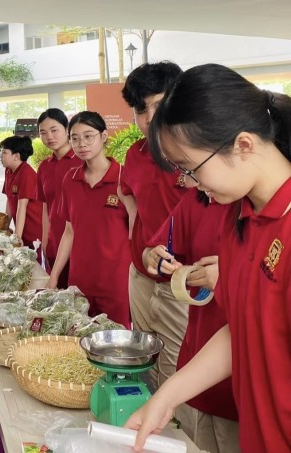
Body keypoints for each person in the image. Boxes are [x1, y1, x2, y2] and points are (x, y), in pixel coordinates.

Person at [125, 63, 291, 453]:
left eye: (191, 169)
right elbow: (241, 329)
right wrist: (164, 398)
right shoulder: (241, 217)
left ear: (243, 145)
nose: (190, 184)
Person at [142, 191, 239, 453]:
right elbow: (152, 251)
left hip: (242, 393)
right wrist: (153, 257)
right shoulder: (199, 199)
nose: (187, 177)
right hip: (196, 373)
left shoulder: (270, 215)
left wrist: (231, 274)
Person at [117, 61, 190, 388]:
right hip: (141, 277)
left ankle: (179, 439)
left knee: (178, 374)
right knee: (143, 364)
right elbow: (127, 194)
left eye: (158, 106)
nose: (148, 119)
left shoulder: (195, 156)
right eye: (140, 109)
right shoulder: (134, 154)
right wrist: (139, 239)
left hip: (184, 283)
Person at [46, 111, 131, 328]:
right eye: (75, 138)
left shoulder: (124, 179)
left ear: (103, 137)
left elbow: (136, 232)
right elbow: (69, 231)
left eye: (88, 136)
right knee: (80, 345)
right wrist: (54, 275)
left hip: (116, 282)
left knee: (115, 344)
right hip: (80, 281)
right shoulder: (70, 179)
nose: (81, 143)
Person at [36, 108, 81, 287]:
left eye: (54, 130)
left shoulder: (82, 161)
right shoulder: (44, 168)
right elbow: (46, 206)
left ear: (67, 129)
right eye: (43, 133)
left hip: (80, 244)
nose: (49, 137)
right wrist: (45, 241)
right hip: (55, 242)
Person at [0, 135, 43, 259]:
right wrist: (5, 226)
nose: (1, 157)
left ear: (16, 156)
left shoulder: (26, 173)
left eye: (4, 153)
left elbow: (22, 206)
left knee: (33, 264)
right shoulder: (8, 171)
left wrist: (17, 237)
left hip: (34, 229)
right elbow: (9, 199)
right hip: (21, 226)